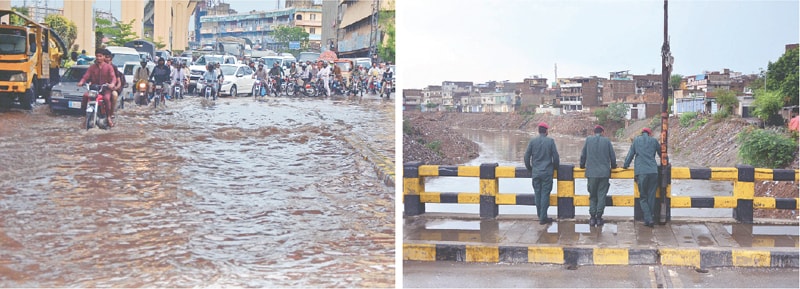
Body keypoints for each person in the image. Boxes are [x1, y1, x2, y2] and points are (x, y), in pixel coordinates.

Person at [623, 127, 662, 228]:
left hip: (641, 172)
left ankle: (648, 219)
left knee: (643, 197)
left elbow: (630, 155)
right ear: (650, 134)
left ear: (642, 133)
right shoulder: (654, 141)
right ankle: (650, 218)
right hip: (653, 172)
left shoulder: (636, 140)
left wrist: (625, 165)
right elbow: (662, 154)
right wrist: (666, 164)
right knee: (651, 196)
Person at [579, 125, 617, 227]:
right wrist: (614, 166)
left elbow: (583, 155)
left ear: (594, 132)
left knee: (592, 196)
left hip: (591, 173)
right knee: (601, 196)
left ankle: (592, 218)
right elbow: (612, 157)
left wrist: (582, 165)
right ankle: (599, 218)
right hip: (604, 173)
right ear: (603, 132)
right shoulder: (607, 141)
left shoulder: (588, 140)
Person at [524, 122, 560, 225]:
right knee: (545, 194)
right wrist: (555, 168)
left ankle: (540, 215)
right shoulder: (550, 141)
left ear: (538, 131)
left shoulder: (532, 141)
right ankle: (543, 217)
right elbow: (556, 158)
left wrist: (530, 168)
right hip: (547, 172)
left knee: (537, 193)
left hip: (536, 172)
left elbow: (527, 156)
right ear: (546, 131)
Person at [77, 48, 118, 127]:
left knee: (106, 98)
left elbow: (113, 78)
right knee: (85, 96)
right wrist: (81, 82)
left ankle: (109, 117)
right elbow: (86, 76)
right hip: (94, 89)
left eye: (100, 56)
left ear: (103, 57)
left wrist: (112, 84)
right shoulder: (92, 67)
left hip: (105, 89)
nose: (98, 58)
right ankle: (85, 117)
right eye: (97, 56)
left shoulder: (109, 67)